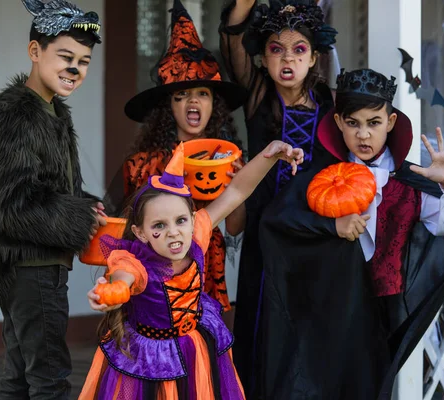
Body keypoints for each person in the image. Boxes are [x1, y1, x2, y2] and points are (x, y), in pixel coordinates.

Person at [259, 68, 444, 399]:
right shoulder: (321, 177)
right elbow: (277, 222)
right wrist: (331, 226)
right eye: (353, 123)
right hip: (324, 310)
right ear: (339, 123)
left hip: (380, 312)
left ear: (390, 123)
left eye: (373, 123)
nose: (363, 134)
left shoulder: (409, 181)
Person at [79, 139, 304, 399]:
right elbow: (123, 279)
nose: (173, 232)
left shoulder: (196, 235)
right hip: (153, 357)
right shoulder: (134, 261)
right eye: (159, 226)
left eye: (180, 220)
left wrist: (269, 155)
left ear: (193, 219)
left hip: (194, 347)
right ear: (140, 233)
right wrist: (111, 292)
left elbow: (237, 191)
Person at [0, 0, 106, 397]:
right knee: (50, 379)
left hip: (33, 265)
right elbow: (9, 203)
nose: (75, 68)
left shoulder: (50, 113)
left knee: (21, 376)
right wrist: (78, 217)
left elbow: (47, 186)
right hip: (30, 266)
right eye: (65, 56)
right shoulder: (17, 115)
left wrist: (84, 203)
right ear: (35, 52)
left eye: (84, 60)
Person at [218, 0, 338, 392]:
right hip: (264, 228)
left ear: (314, 56)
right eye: (276, 49)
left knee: (308, 319)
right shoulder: (257, 95)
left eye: (299, 50)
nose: (288, 59)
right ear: (264, 58)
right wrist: (242, 6)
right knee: (260, 315)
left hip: (312, 227)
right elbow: (232, 42)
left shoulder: (328, 104)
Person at [105, 0, 249, 312]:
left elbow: (235, 228)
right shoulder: (139, 165)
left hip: (207, 275)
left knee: (203, 354)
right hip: (151, 284)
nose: (192, 102)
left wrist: (238, 180)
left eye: (202, 93)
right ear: (168, 108)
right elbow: (114, 230)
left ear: (214, 106)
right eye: (181, 95)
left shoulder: (226, 160)